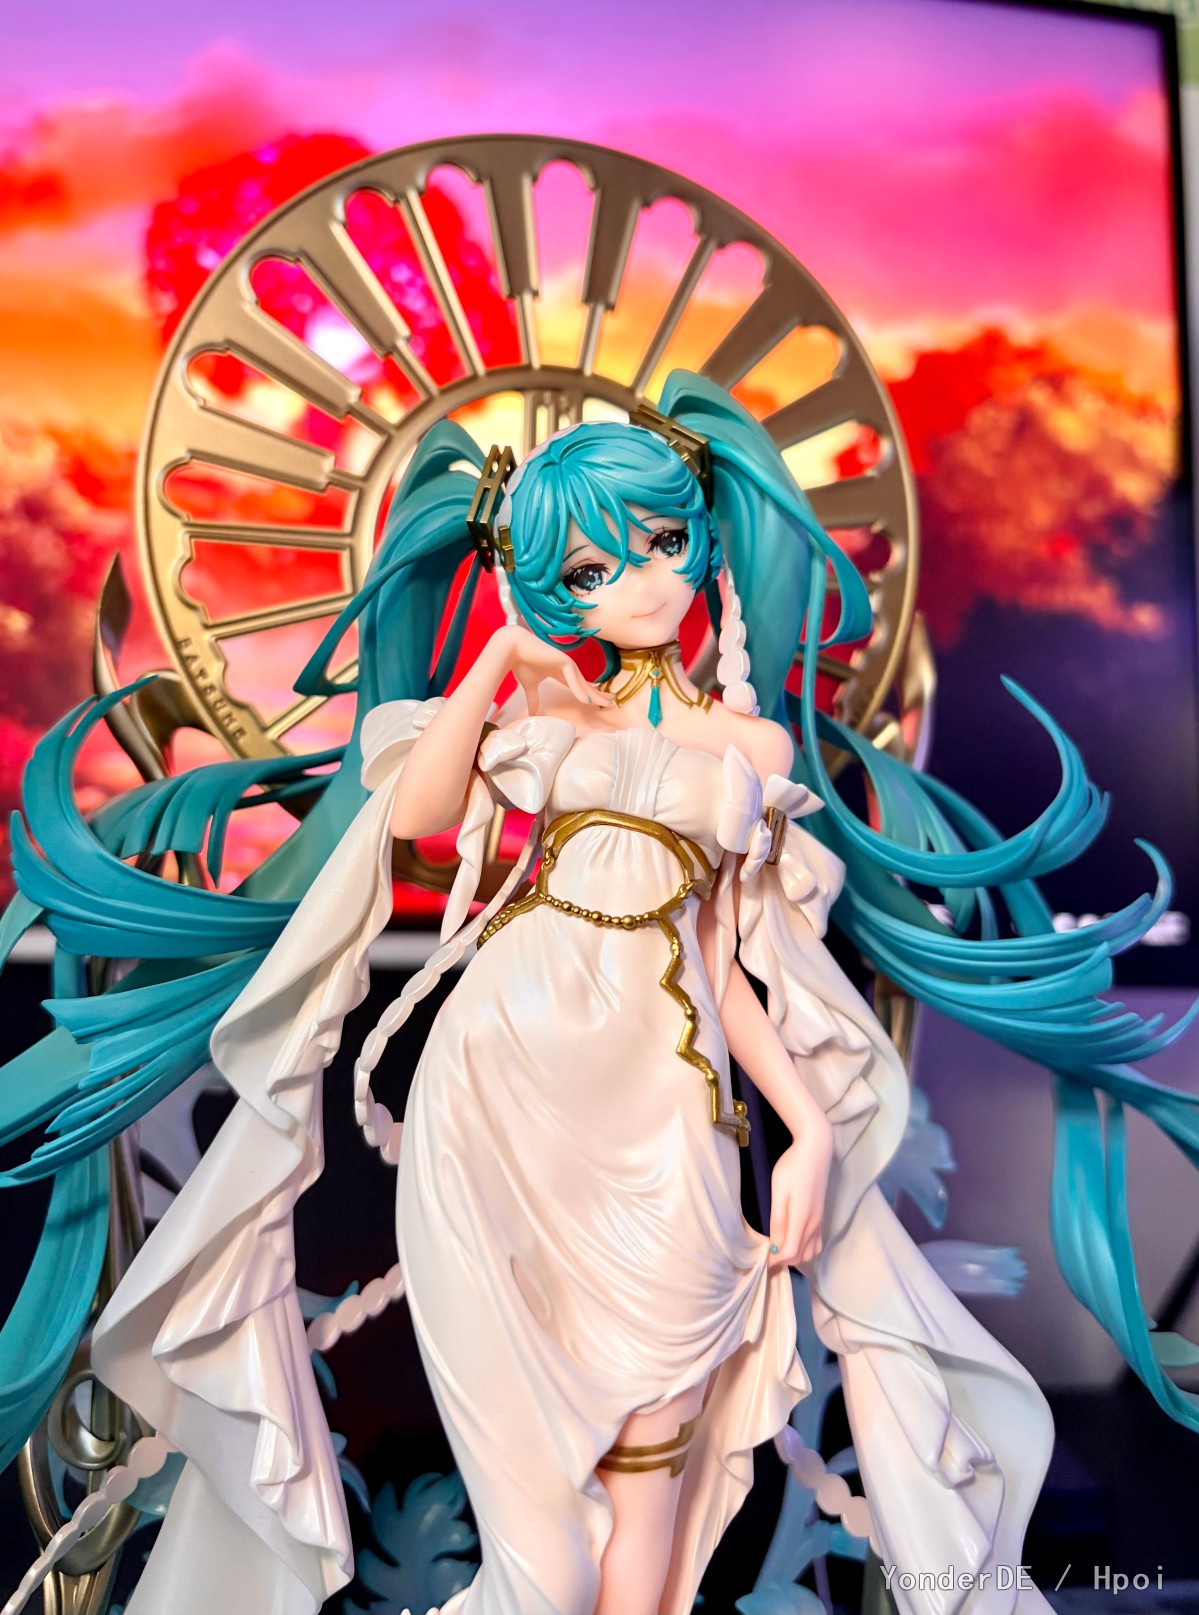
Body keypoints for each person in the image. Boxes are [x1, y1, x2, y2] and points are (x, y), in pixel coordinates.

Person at [2, 372, 1197, 1615]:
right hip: (503, 1079)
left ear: (701, 542)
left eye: (662, 543)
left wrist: (805, 1130)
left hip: (665, 1102)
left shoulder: (749, 750)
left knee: (655, 1456)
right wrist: (497, 660)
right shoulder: (542, 711)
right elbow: (413, 815)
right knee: (536, 1521)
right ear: (550, 590)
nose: (638, 582)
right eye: (589, 570)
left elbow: (726, 964)